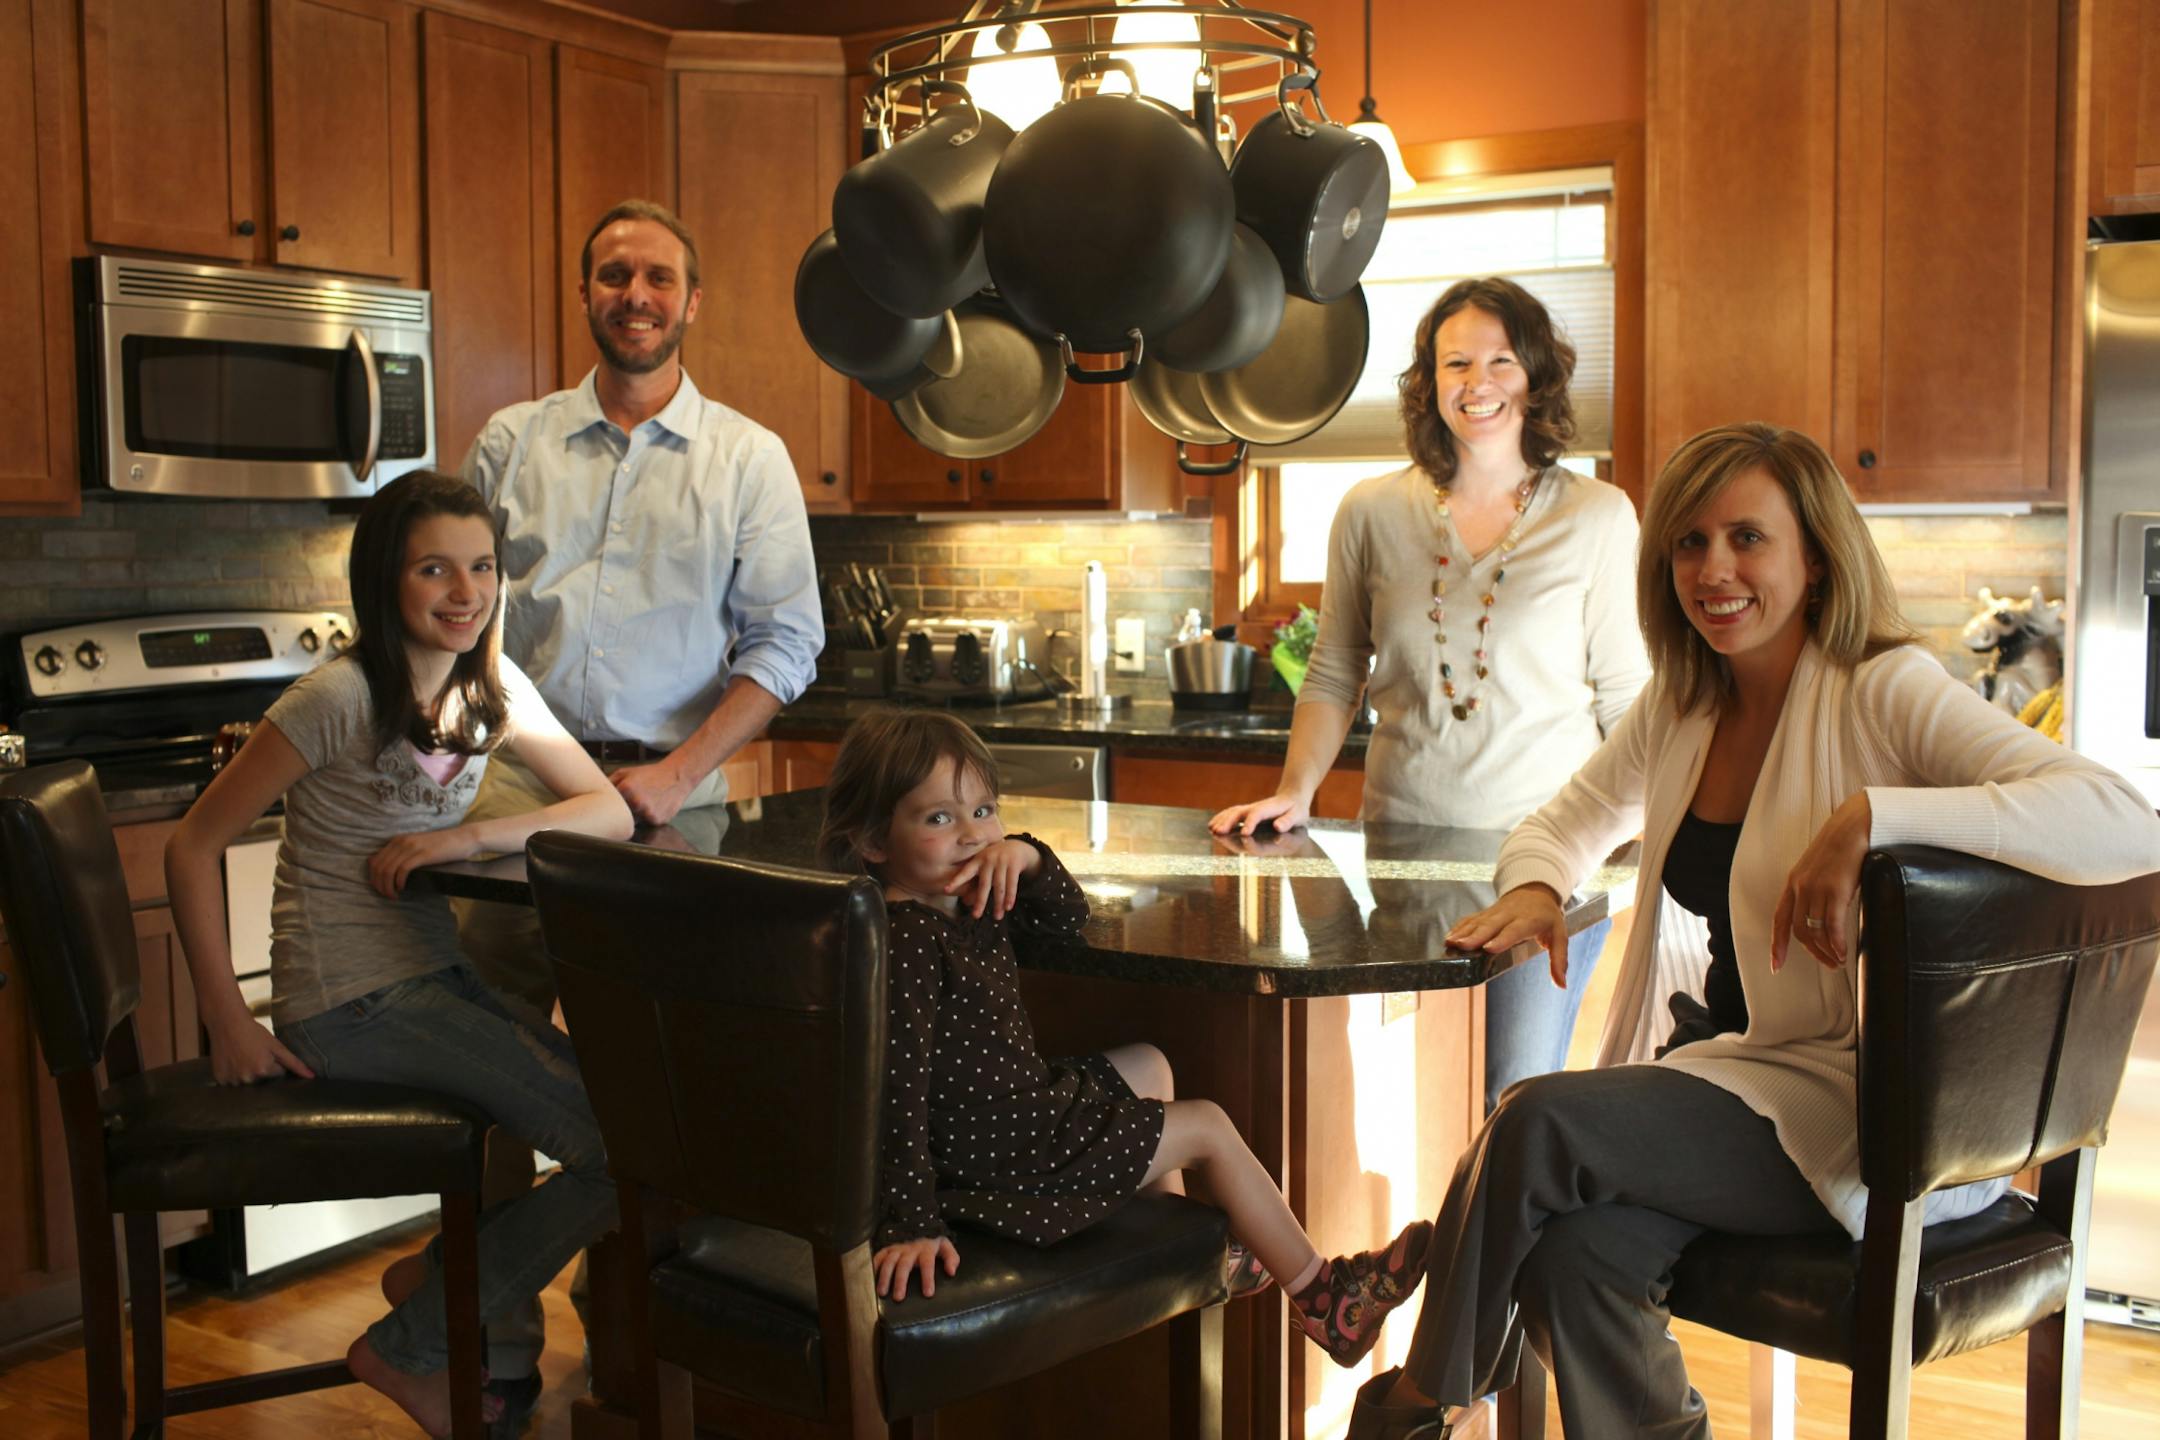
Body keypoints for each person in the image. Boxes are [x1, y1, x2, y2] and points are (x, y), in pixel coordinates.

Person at [1344, 423, 2160, 1440]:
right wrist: (1543, 884)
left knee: (1534, 1119)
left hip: (1869, 1117)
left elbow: (2126, 817)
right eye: (1689, 543)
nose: (1713, 569)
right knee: (1576, 1257)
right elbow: (1560, 823)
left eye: (1747, 538)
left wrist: (1875, 816)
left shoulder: (1882, 689)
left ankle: (1411, 1408)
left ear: (1814, 557)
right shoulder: (1684, 706)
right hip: (1736, 1075)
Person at [163, 471, 636, 1439]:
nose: (465, 592)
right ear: (387, 579)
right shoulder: (338, 696)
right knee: (624, 1147)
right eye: (435, 569)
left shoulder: (488, 691)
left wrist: (464, 841)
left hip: (430, 982)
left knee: (634, 1125)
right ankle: (413, 1340)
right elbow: (192, 843)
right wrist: (227, 1018)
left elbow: (611, 808)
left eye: (482, 568)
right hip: (345, 1001)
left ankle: (439, 1284)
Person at [454, 198, 823, 1397]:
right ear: (586, 295)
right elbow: (454, 615)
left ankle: (644, 1343)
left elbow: (786, 643)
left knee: (668, 1083)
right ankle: (494, 1331)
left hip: (677, 805)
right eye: (613, 274)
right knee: (494, 1069)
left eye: (658, 276)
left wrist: (670, 777)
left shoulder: (748, 458)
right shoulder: (511, 443)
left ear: (692, 301)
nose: (636, 294)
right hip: (517, 789)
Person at [817, 707, 1431, 1364]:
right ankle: (1324, 1299)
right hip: (993, 1151)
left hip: (1009, 1121)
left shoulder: (963, 901)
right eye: (939, 817)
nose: (973, 835)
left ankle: (1192, 1255)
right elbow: (894, 1084)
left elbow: (1067, 914)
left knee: (1150, 1066)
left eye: (984, 810)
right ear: (875, 843)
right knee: (1207, 1127)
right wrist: (911, 1220)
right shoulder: (908, 938)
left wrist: (1025, 854)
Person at [1210, 277, 1652, 1111]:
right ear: (1427, 380)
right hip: (1402, 854)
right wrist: (1295, 791)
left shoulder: (1598, 516)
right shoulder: (1370, 510)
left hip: (1547, 856)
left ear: (1537, 379)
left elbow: (1630, 701)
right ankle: (1430, 1245)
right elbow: (1337, 667)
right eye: (1456, 363)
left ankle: (1510, 1246)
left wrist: (1641, 835)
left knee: (1514, 1094)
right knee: (1405, 1102)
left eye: (1500, 362)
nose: (1477, 383)